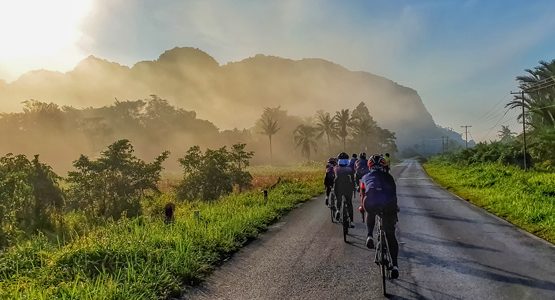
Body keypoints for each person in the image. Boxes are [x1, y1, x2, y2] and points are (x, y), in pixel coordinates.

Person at [359, 154, 400, 279]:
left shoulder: (365, 177)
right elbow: (393, 194)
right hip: (388, 205)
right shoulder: (389, 177)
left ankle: (369, 235)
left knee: (370, 212)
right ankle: (395, 265)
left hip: (370, 202)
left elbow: (362, 195)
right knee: (390, 235)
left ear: (369, 166)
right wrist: (395, 209)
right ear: (384, 166)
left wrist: (362, 207)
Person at [334, 152, 355, 228]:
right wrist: (354, 188)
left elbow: (334, 178)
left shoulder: (336, 168)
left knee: (338, 200)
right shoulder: (350, 169)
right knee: (349, 203)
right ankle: (351, 221)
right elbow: (353, 180)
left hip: (338, 186)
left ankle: (338, 210)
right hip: (348, 187)